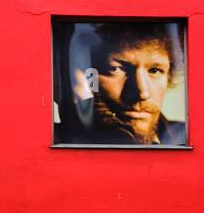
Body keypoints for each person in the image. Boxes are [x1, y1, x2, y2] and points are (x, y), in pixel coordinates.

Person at [57, 22, 187, 146]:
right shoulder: (57, 139)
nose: (142, 93)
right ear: (85, 77)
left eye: (154, 71)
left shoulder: (185, 136)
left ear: (169, 76)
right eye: (115, 69)